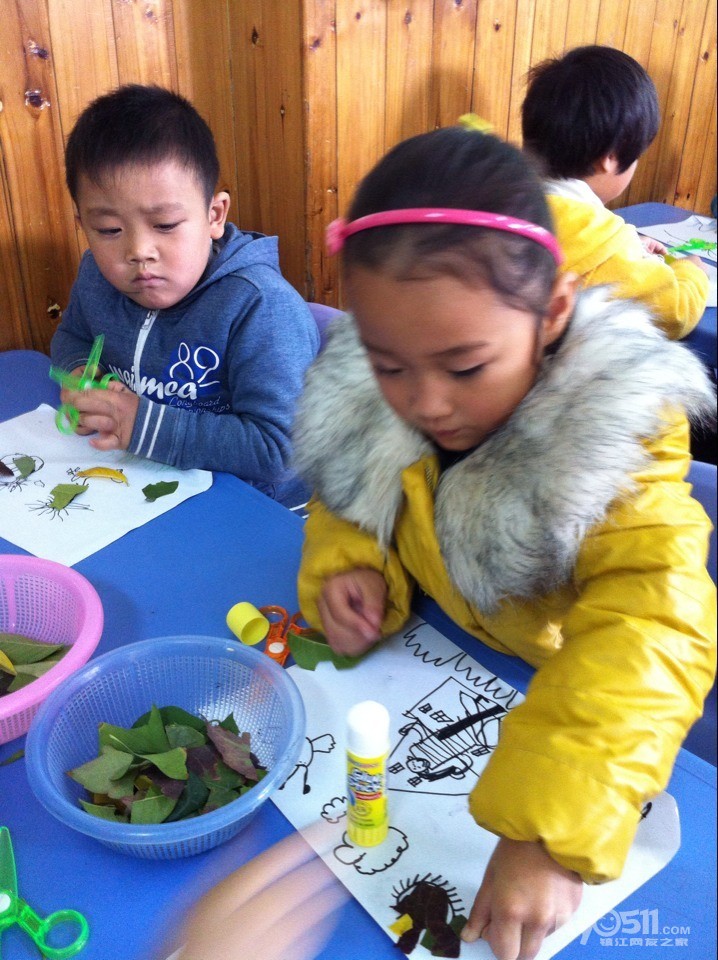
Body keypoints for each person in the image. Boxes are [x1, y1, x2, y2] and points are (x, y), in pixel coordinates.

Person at [292, 127, 716, 960]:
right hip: (438, 662)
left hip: (566, 697)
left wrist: (550, 832)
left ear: (551, 311)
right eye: (388, 365)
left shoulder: (617, 442)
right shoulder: (383, 390)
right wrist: (353, 563)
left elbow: (654, 624)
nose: (425, 403)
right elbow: (348, 493)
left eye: (464, 367)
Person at [50, 84, 319, 506]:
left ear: (214, 215)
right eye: (108, 230)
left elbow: (281, 449)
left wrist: (142, 426)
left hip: (258, 509)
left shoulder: (260, 307)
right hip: (145, 488)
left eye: (166, 225)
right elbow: (73, 336)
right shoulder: (97, 278)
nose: (139, 251)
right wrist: (81, 374)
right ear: (83, 224)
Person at [521, 45, 709, 340]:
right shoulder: (602, 245)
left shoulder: (507, 200)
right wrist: (692, 272)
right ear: (609, 157)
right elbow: (674, 312)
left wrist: (630, 245)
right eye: (636, 157)